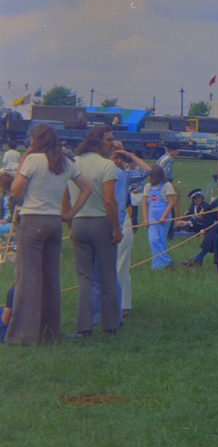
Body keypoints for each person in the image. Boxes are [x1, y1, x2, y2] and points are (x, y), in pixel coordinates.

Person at [6, 124, 92, 344]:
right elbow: (87, 188)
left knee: (28, 279)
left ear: (36, 140)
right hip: (55, 221)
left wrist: (23, 162)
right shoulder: (65, 161)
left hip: (33, 220)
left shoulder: (33, 160)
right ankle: (49, 332)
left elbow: (15, 191)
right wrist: (70, 213)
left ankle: (24, 334)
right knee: (50, 279)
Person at [67, 125, 122, 338]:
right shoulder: (107, 166)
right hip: (100, 222)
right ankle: (110, 324)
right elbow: (110, 200)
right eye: (109, 140)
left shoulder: (73, 163)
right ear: (98, 142)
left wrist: (70, 225)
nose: (112, 144)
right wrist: (116, 229)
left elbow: (65, 199)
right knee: (108, 275)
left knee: (84, 278)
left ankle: (84, 327)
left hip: (79, 222)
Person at [112, 145, 152, 320]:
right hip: (101, 221)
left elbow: (148, 170)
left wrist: (129, 154)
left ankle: (123, 305)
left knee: (121, 265)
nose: (119, 160)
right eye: (116, 156)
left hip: (122, 222)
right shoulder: (101, 171)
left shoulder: (124, 175)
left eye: (121, 157)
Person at [142, 165, 175, 270]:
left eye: (154, 178)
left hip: (164, 216)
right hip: (152, 216)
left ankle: (158, 266)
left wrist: (164, 216)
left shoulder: (167, 185)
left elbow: (171, 202)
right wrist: (146, 219)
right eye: (150, 178)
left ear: (160, 177)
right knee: (153, 240)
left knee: (161, 240)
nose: (151, 180)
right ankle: (167, 261)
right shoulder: (148, 187)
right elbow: (145, 204)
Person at [180, 187, 218, 269]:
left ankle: (198, 259)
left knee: (212, 235)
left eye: (199, 197)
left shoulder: (205, 206)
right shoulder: (194, 207)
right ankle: (198, 259)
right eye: (195, 198)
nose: (197, 200)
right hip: (197, 229)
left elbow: (208, 222)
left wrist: (191, 222)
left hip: (201, 230)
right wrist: (184, 222)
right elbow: (188, 216)